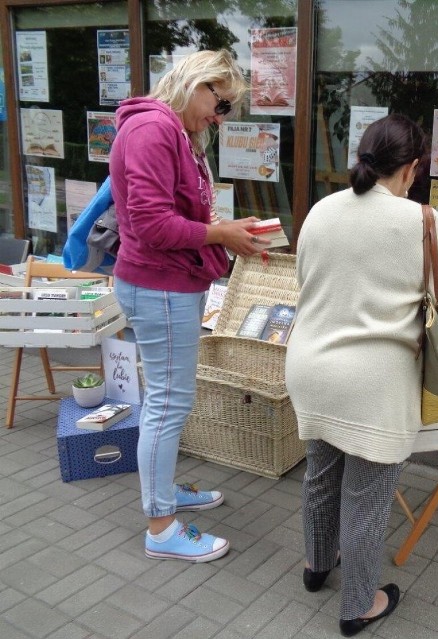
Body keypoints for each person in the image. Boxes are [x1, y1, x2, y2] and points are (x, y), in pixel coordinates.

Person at [285, 114, 438, 637]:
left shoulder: (321, 210)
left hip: (312, 367)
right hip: (375, 384)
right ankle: (358, 605)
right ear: (411, 169)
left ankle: (317, 566)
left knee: (320, 472)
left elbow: (305, 281)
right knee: (365, 498)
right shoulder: (422, 223)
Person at [109, 50, 268, 563]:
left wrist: (221, 230)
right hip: (161, 286)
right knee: (167, 404)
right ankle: (161, 526)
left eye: (226, 110)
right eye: (218, 103)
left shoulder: (173, 132)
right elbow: (153, 223)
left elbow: (173, 212)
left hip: (168, 285)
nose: (218, 117)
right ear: (194, 83)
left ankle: (165, 490)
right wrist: (219, 232)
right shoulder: (153, 131)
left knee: (169, 399)